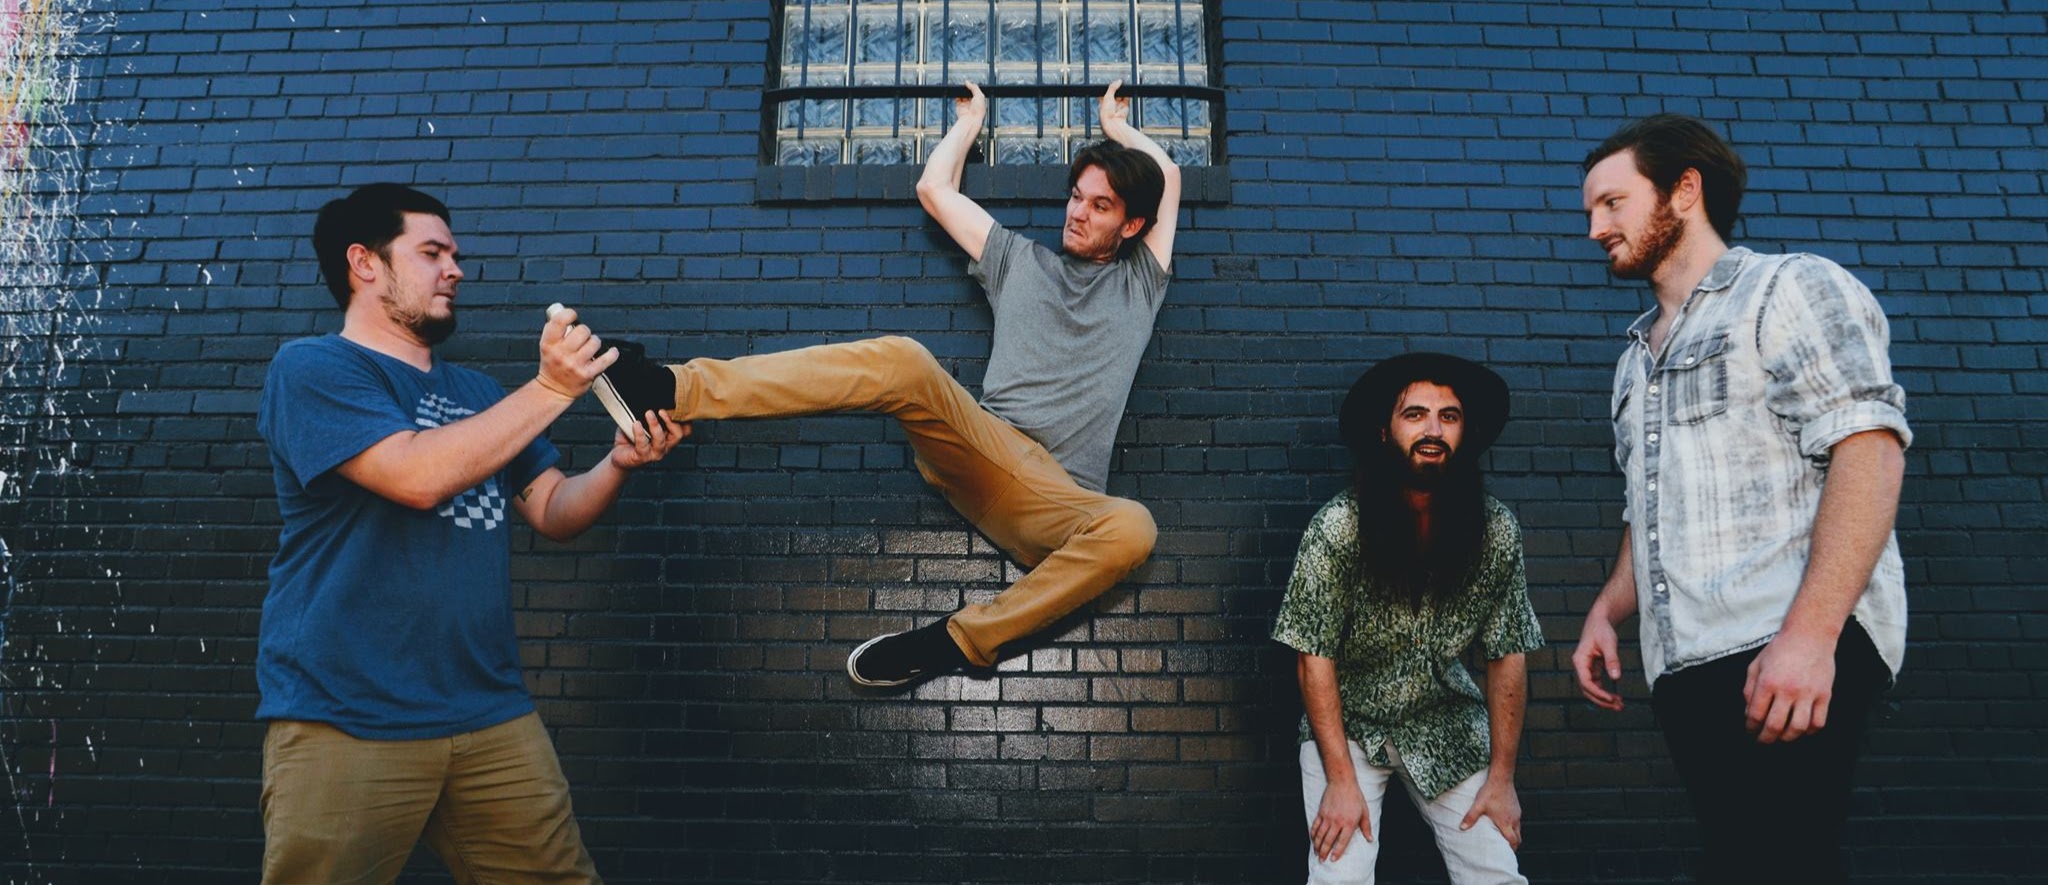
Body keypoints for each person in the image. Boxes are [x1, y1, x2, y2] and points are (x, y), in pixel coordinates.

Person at [587, 81, 1181, 687]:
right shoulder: (1016, 261)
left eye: (1100, 206)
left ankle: (952, 643)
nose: (1077, 213)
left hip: (1055, 507)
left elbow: (1170, 178)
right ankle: (665, 389)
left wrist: (1118, 129)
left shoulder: (1140, 288)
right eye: (1076, 197)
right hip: (985, 450)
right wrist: (970, 122)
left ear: (1132, 225)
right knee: (903, 361)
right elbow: (934, 190)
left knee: (1134, 527)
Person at [256, 183, 687, 883]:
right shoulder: (313, 369)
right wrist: (549, 390)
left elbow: (552, 509)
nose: (454, 268)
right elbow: (414, 475)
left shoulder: (482, 394)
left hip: (490, 714)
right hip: (346, 714)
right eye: (431, 253)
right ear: (364, 264)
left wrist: (617, 462)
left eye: (454, 254)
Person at [1570, 115, 1910, 884]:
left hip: (1781, 635)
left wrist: (1812, 636)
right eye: (1590, 211)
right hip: (1687, 659)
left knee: (1775, 858)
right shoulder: (1634, 361)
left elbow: (1869, 449)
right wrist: (1607, 609)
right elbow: (1650, 505)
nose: (1595, 228)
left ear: (1684, 191)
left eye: (1612, 203)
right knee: (1749, 857)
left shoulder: (1786, 288)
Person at [1272, 353, 1542, 884]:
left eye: (1449, 416)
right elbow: (1312, 658)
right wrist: (1340, 780)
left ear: (1466, 432)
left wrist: (1502, 779)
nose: (1433, 430)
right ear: (1385, 431)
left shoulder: (1497, 532)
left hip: (1446, 722)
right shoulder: (1339, 527)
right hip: (1348, 729)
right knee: (1338, 877)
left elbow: (1508, 653)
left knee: (1496, 871)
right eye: (1415, 414)